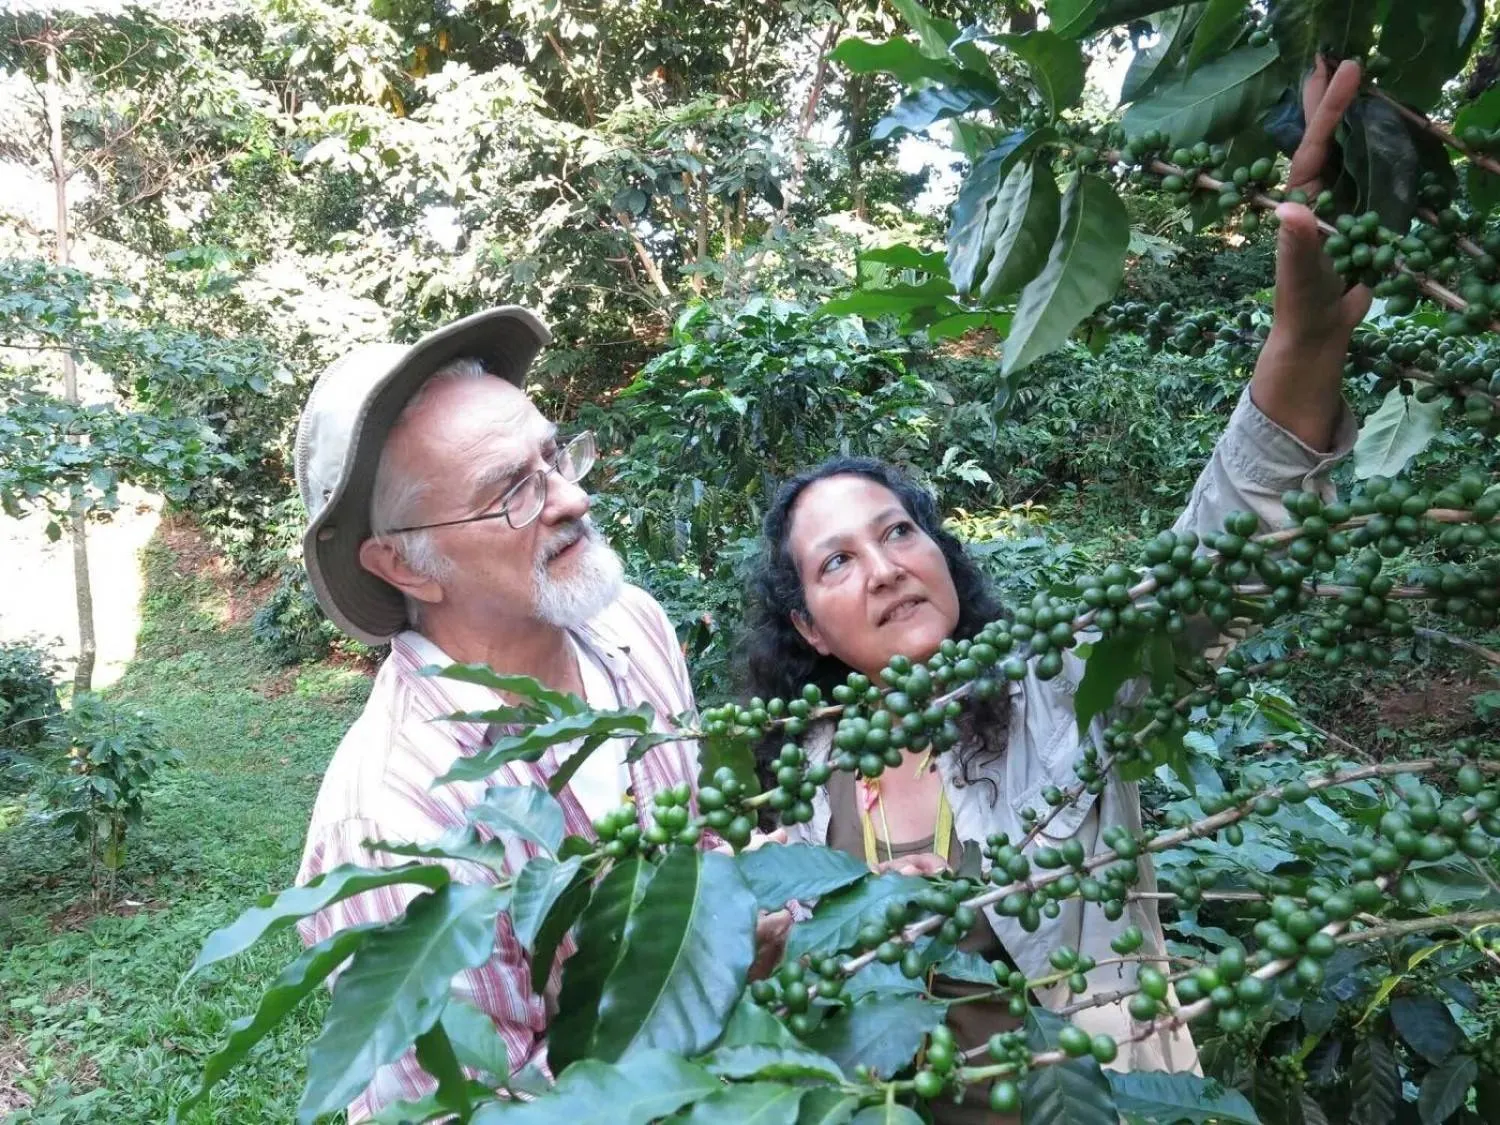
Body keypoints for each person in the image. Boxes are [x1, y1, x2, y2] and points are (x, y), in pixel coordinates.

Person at [739, 57, 1371, 1119]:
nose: (887, 564)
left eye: (901, 532)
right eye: (839, 560)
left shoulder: (1059, 690)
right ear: (806, 626)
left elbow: (1212, 566)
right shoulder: (800, 783)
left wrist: (1301, 338)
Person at [290, 308, 705, 1121]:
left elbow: (706, 837)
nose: (573, 497)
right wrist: (695, 983)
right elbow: (470, 1107)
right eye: (511, 491)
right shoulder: (390, 820)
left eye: (553, 458)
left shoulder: (631, 626)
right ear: (403, 563)